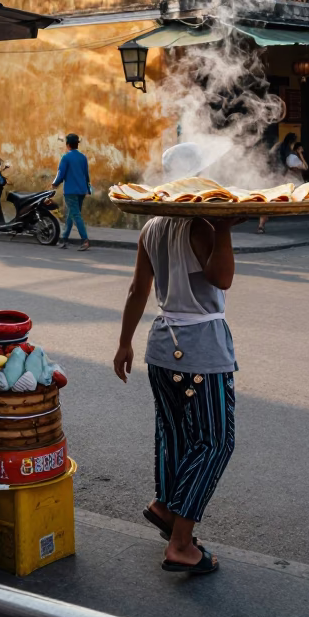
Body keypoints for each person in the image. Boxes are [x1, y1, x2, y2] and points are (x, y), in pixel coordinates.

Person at [113, 143, 238, 576]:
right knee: (215, 442)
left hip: (161, 347)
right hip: (200, 348)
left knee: (174, 435)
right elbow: (222, 278)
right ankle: (181, 544)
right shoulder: (201, 226)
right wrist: (224, 228)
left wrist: (124, 343)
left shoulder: (152, 226)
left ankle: (165, 506)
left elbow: (137, 291)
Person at [53, 133, 92, 251]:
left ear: (68, 144)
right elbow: (86, 174)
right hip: (81, 190)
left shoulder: (66, 157)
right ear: (77, 145)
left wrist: (55, 183)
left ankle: (85, 240)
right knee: (71, 214)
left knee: (75, 215)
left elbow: (61, 173)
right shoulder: (83, 157)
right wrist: (88, 188)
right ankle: (64, 239)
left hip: (70, 191)